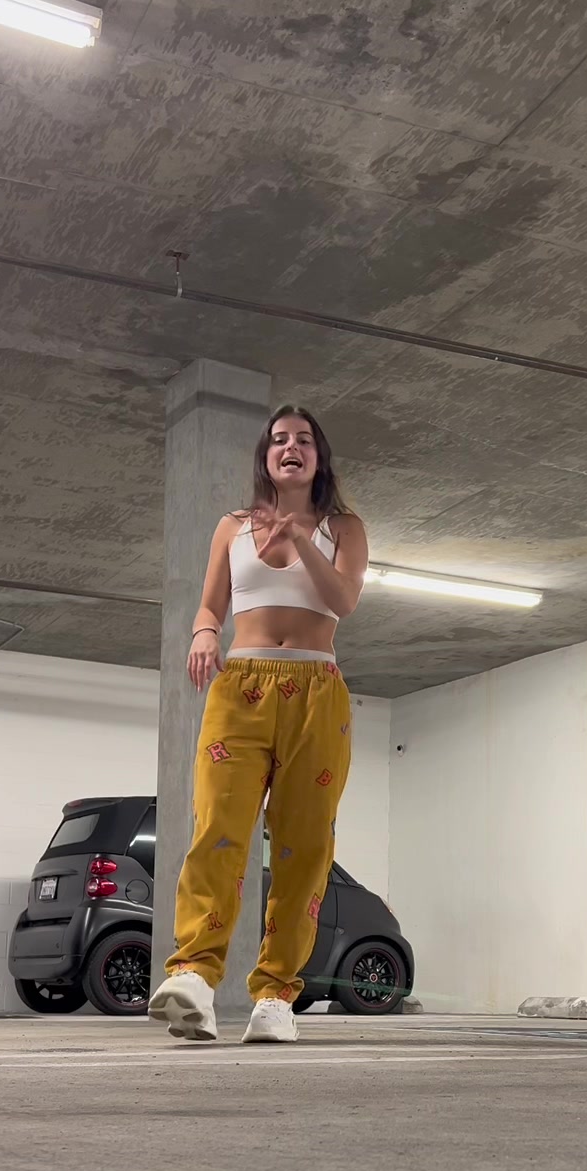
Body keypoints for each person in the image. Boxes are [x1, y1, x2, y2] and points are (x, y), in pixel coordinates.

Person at [148, 406, 368, 1044]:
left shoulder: (343, 528)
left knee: (305, 846)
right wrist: (203, 632)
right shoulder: (233, 526)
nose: (290, 447)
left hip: (317, 690)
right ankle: (194, 974)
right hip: (241, 686)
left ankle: (275, 995)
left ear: (318, 458)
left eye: (303, 440)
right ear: (265, 458)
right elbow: (210, 603)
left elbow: (344, 600)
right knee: (217, 827)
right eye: (278, 440)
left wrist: (300, 538)